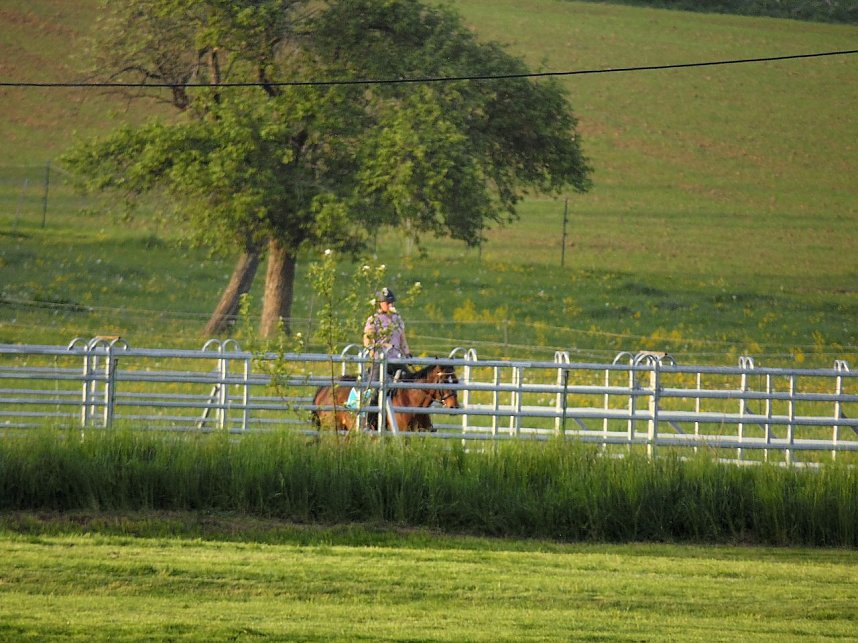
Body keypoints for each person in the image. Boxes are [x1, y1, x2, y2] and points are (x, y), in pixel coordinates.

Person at [360, 287, 412, 427]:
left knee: (412, 383)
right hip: (380, 361)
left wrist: (407, 353)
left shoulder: (397, 319)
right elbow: (368, 341)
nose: (391, 305)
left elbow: (402, 339)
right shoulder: (374, 320)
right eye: (388, 303)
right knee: (374, 390)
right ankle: (370, 422)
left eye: (392, 302)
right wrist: (375, 352)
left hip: (396, 359)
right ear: (380, 304)